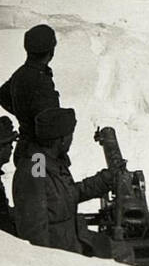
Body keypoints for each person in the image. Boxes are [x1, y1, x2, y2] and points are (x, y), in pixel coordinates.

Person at [14, 106, 118, 256]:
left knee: (124, 249)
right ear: (61, 140)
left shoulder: (48, 161)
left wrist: (104, 180)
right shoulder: (35, 169)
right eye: (70, 135)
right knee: (125, 255)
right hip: (62, 254)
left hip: (72, 240)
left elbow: (66, 196)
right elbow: (35, 233)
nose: (71, 140)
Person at [0, 23, 62, 235]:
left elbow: (1, 96)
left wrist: (23, 116)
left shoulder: (21, 74)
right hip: (40, 154)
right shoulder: (41, 81)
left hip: (26, 149)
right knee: (41, 197)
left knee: (35, 197)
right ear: (51, 51)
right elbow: (48, 124)